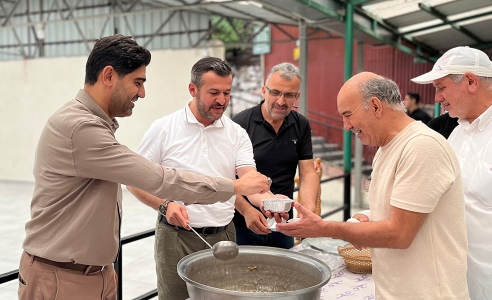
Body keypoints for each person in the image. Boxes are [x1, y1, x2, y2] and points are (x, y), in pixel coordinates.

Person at [18, 35, 271, 300]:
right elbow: (159, 179)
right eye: (137, 82)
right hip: (63, 277)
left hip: (89, 273)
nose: (142, 93)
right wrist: (235, 187)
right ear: (108, 76)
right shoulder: (81, 127)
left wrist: (101, 271)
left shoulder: (94, 123)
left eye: (226, 93)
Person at [276, 72, 469, 299]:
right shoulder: (387, 148)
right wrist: (369, 221)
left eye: (348, 115)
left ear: (376, 106)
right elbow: (402, 213)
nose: (346, 126)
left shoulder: (421, 146)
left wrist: (324, 228)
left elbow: (399, 234)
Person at [127, 57, 282, 300]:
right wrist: (164, 205)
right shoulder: (164, 129)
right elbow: (134, 180)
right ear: (192, 89)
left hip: (225, 236)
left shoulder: (236, 133)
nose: (222, 100)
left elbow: (249, 180)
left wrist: (270, 201)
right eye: (214, 92)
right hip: (176, 238)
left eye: (227, 93)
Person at [412, 46, 492, 300]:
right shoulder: (453, 131)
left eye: (441, 87)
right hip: (452, 284)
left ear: (470, 81)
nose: (436, 98)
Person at [231, 62, 319, 249]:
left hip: (283, 222)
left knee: (284, 275)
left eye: (288, 95)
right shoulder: (240, 124)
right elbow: (226, 180)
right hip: (244, 223)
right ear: (264, 91)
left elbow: (308, 173)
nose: (281, 101)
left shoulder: (301, 124)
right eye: (275, 92)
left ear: (297, 96)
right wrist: (246, 211)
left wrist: (308, 210)